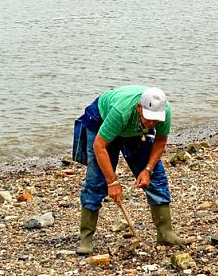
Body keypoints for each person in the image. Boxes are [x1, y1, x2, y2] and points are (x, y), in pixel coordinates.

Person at [72, 85, 189, 255]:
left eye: (155, 120)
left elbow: (161, 140)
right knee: (96, 182)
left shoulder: (164, 112)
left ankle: (166, 234)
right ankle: (86, 238)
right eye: (148, 118)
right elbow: (100, 145)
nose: (151, 123)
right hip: (101, 121)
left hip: (134, 131)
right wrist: (112, 181)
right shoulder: (121, 112)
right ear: (139, 107)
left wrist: (147, 170)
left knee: (157, 178)